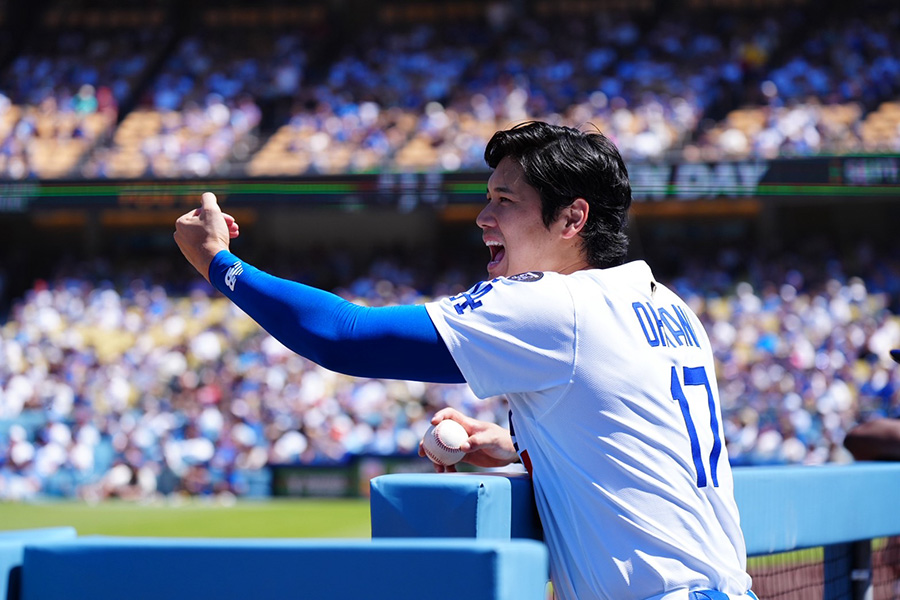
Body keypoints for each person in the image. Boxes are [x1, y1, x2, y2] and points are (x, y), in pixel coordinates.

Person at [175, 121, 755, 600]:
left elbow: (345, 336)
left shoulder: (554, 303)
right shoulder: (668, 303)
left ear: (572, 219)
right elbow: (637, 442)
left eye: (505, 201)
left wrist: (219, 264)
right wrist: (520, 448)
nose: (483, 218)